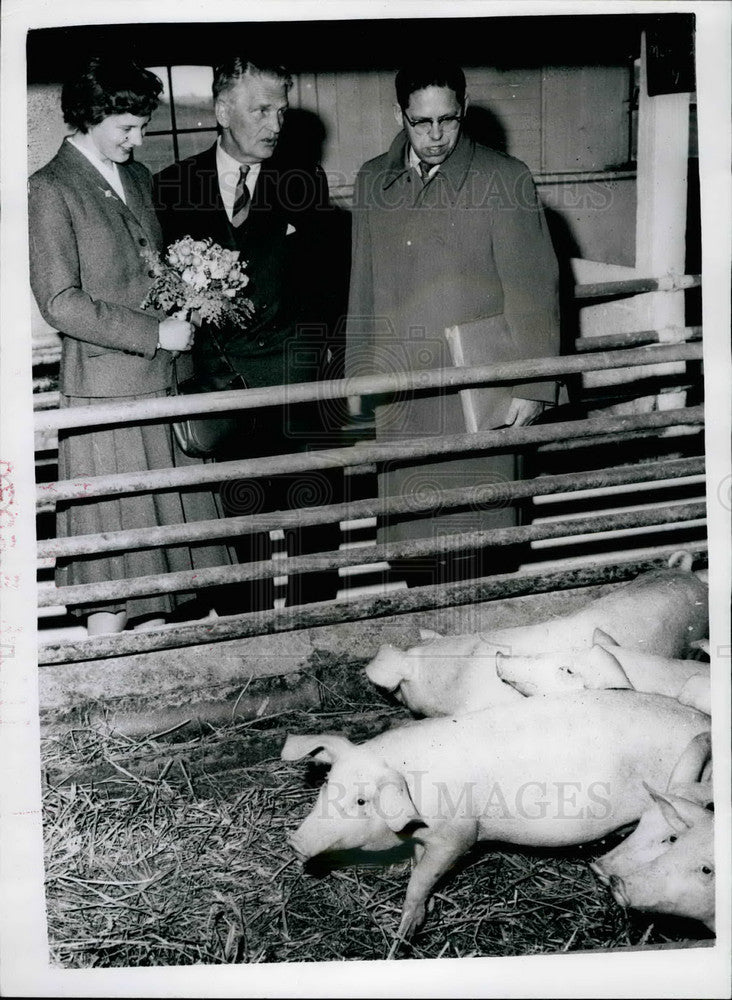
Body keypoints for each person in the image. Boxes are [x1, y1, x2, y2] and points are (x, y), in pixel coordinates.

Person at [28, 55, 233, 635]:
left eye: (142, 125)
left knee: (169, 567)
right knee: (113, 569)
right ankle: (103, 698)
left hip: (164, 383)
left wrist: (191, 295)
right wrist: (153, 332)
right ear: (89, 118)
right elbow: (60, 302)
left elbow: (149, 271)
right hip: (107, 397)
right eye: (127, 127)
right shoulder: (49, 188)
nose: (139, 138)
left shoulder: (138, 177)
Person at [345, 61, 562, 588]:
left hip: (477, 390)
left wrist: (532, 386)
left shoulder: (503, 177)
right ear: (402, 115)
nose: (436, 135)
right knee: (416, 547)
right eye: (421, 123)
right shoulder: (374, 179)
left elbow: (534, 290)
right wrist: (358, 375)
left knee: (477, 543)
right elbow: (363, 283)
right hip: (405, 392)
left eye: (448, 120)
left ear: (463, 111)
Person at [154, 55, 341, 611]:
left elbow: (327, 292)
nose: (275, 123)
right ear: (220, 111)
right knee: (240, 546)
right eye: (261, 109)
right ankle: (247, 658)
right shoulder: (171, 187)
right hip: (221, 396)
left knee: (314, 534)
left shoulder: (304, 180)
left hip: (296, 391)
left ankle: (318, 647)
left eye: (280, 110)